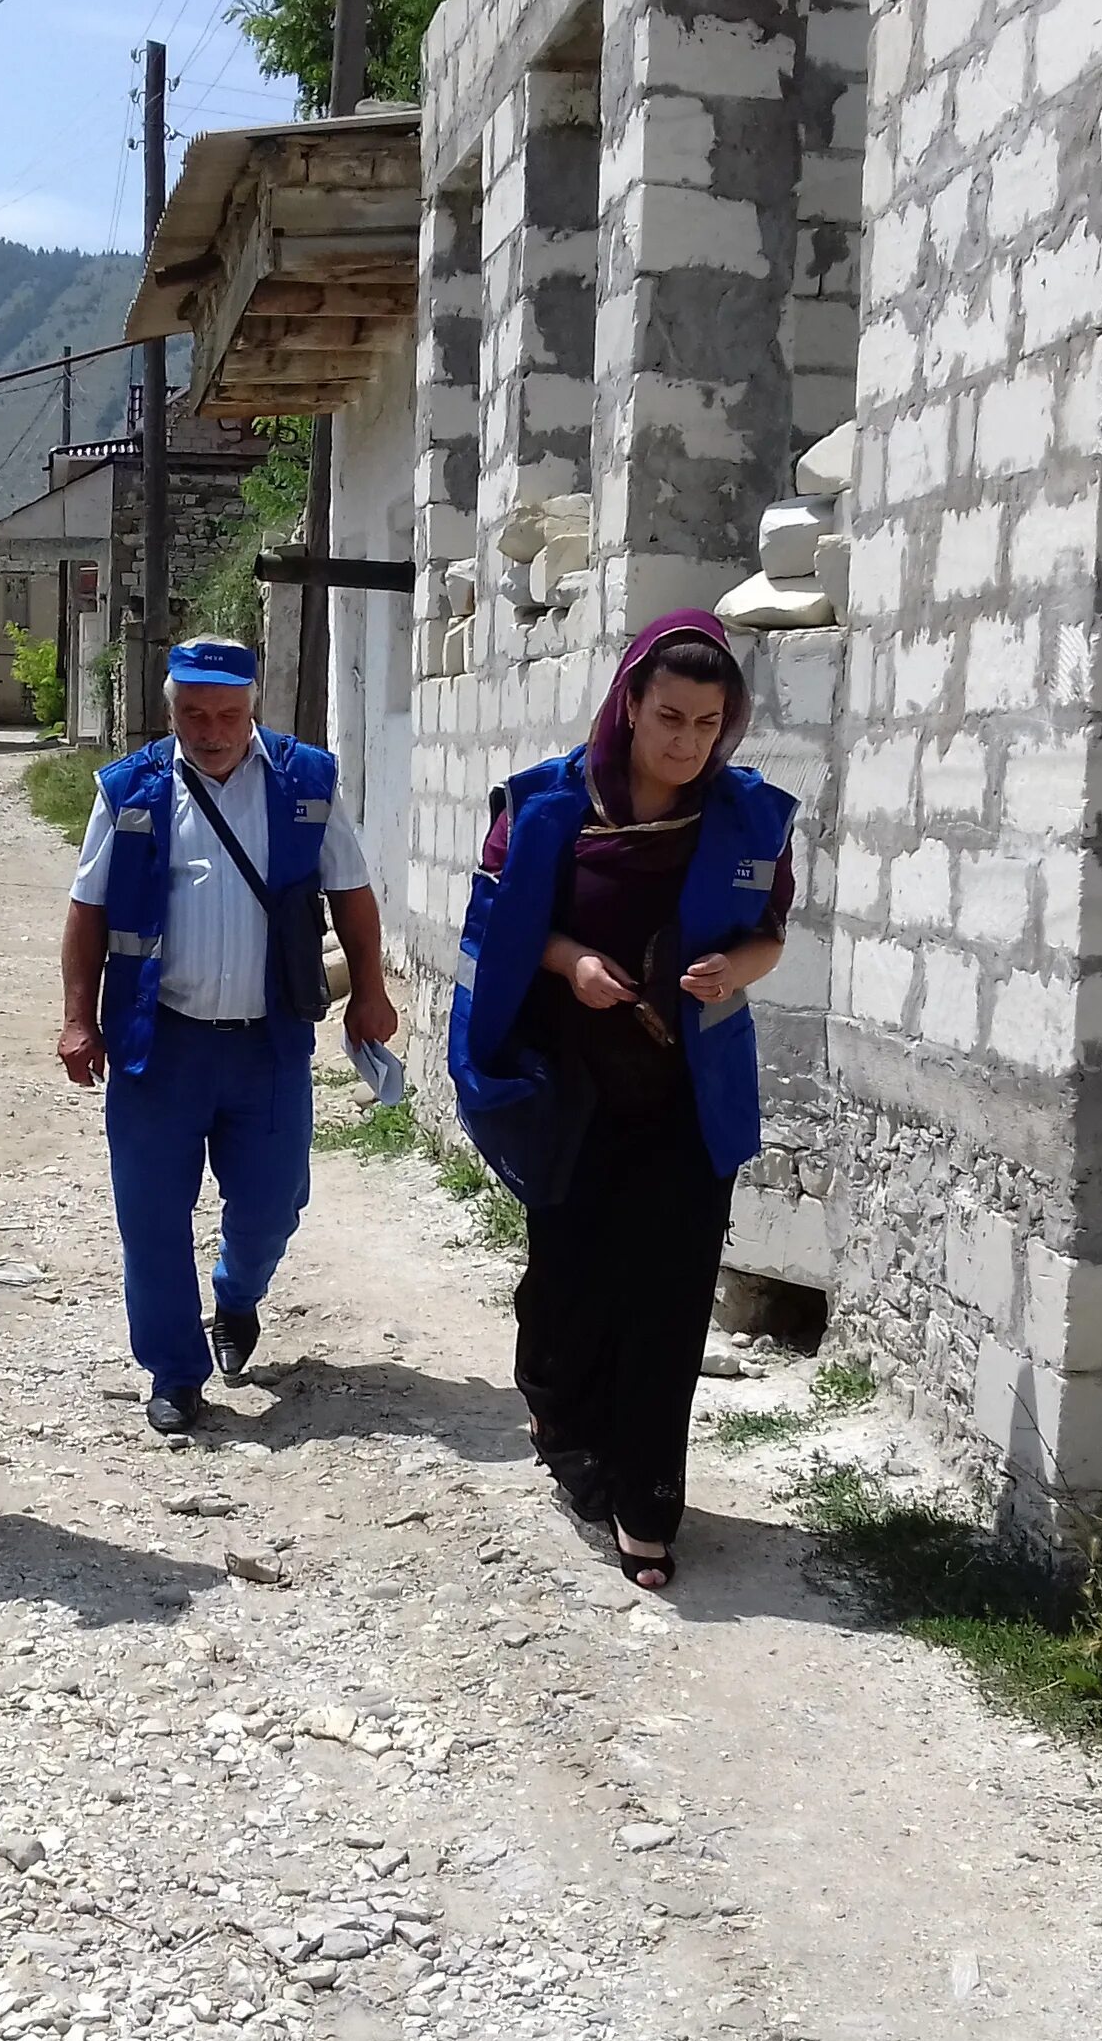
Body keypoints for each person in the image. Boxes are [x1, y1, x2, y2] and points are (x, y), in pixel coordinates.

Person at [448, 611, 796, 1591]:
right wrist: (574, 963)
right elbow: (507, 931)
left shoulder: (746, 819)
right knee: (572, 1285)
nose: (687, 742)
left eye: (707, 722)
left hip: (691, 1095)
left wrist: (741, 966)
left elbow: (772, 927)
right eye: (670, 717)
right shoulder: (549, 809)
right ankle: (558, 1414)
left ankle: (647, 1506)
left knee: (671, 1297)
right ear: (630, 704)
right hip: (572, 1091)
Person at [57, 639, 400, 1433]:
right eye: (193, 714)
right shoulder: (129, 790)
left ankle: (237, 1296)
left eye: (228, 715)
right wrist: (78, 1017)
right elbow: (87, 912)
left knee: (273, 1205)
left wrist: (369, 993)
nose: (210, 730)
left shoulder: (305, 782)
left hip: (267, 1042)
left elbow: (352, 893)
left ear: (254, 710)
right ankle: (174, 1373)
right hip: (158, 1041)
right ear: (170, 709)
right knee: (150, 1218)